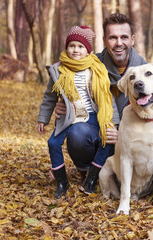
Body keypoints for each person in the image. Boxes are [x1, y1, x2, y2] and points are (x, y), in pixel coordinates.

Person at [54, 13, 147, 194]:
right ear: (104, 40)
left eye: (124, 37)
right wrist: (64, 104)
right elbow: (70, 87)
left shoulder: (144, 70)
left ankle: (127, 176)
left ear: (133, 39)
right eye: (113, 37)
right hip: (97, 132)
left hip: (131, 138)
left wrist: (120, 132)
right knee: (77, 133)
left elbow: (150, 115)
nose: (118, 43)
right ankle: (87, 171)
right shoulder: (89, 65)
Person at [37, 25, 115, 198]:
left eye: (80, 47)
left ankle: (91, 179)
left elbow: (106, 96)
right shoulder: (58, 70)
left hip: (92, 115)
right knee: (53, 143)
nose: (76, 50)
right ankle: (62, 182)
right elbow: (50, 96)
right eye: (72, 46)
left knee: (107, 140)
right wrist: (43, 118)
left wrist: (112, 123)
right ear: (66, 47)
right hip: (69, 116)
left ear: (88, 50)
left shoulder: (96, 68)